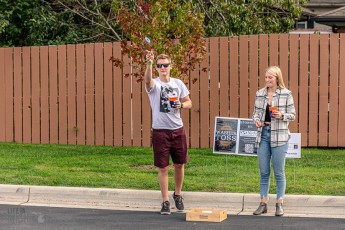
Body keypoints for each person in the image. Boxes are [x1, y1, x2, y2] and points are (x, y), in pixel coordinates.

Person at [144, 51, 192, 215]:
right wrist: (149, 63)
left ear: (171, 66)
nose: (163, 68)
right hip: (160, 132)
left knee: (179, 164)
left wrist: (181, 105)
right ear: (157, 68)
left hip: (177, 130)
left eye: (165, 65)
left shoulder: (178, 84)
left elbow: (189, 102)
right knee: (163, 167)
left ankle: (177, 194)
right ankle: (165, 201)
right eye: (160, 66)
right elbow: (147, 80)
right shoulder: (155, 85)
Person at [252, 66, 296, 216]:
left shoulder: (286, 94)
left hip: (280, 136)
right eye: (266, 77)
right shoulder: (260, 94)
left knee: (278, 172)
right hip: (263, 134)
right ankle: (263, 203)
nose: (267, 80)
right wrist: (257, 121)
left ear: (277, 78)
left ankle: (279, 203)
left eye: (270, 77)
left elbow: (293, 115)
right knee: (264, 171)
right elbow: (255, 114)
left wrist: (281, 115)